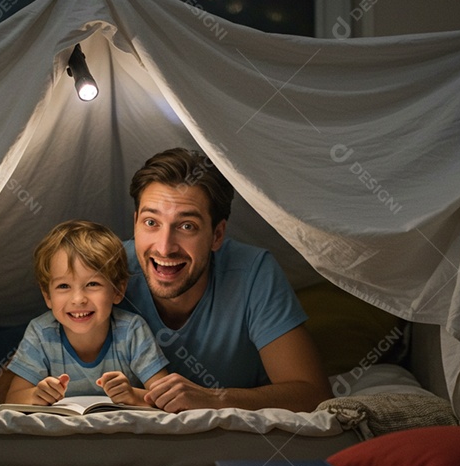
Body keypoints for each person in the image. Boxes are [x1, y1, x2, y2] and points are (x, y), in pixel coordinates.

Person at [118, 147, 330, 413]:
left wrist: (214, 399)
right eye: (151, 222)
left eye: (187, 226)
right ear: (136, 222)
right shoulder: (107, 268)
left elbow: (313, 394)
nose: (165, 247)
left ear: (217, 235)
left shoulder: (253, 271)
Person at [1, 220, 170, 406]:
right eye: (63, 286)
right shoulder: (41, 332)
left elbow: (163, 396)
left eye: (92, 284)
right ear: (47, 296)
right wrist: (35, 395)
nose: (78, 299)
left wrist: (132, 395)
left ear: (118, 290)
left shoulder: (132, 330)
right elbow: (13, 398)